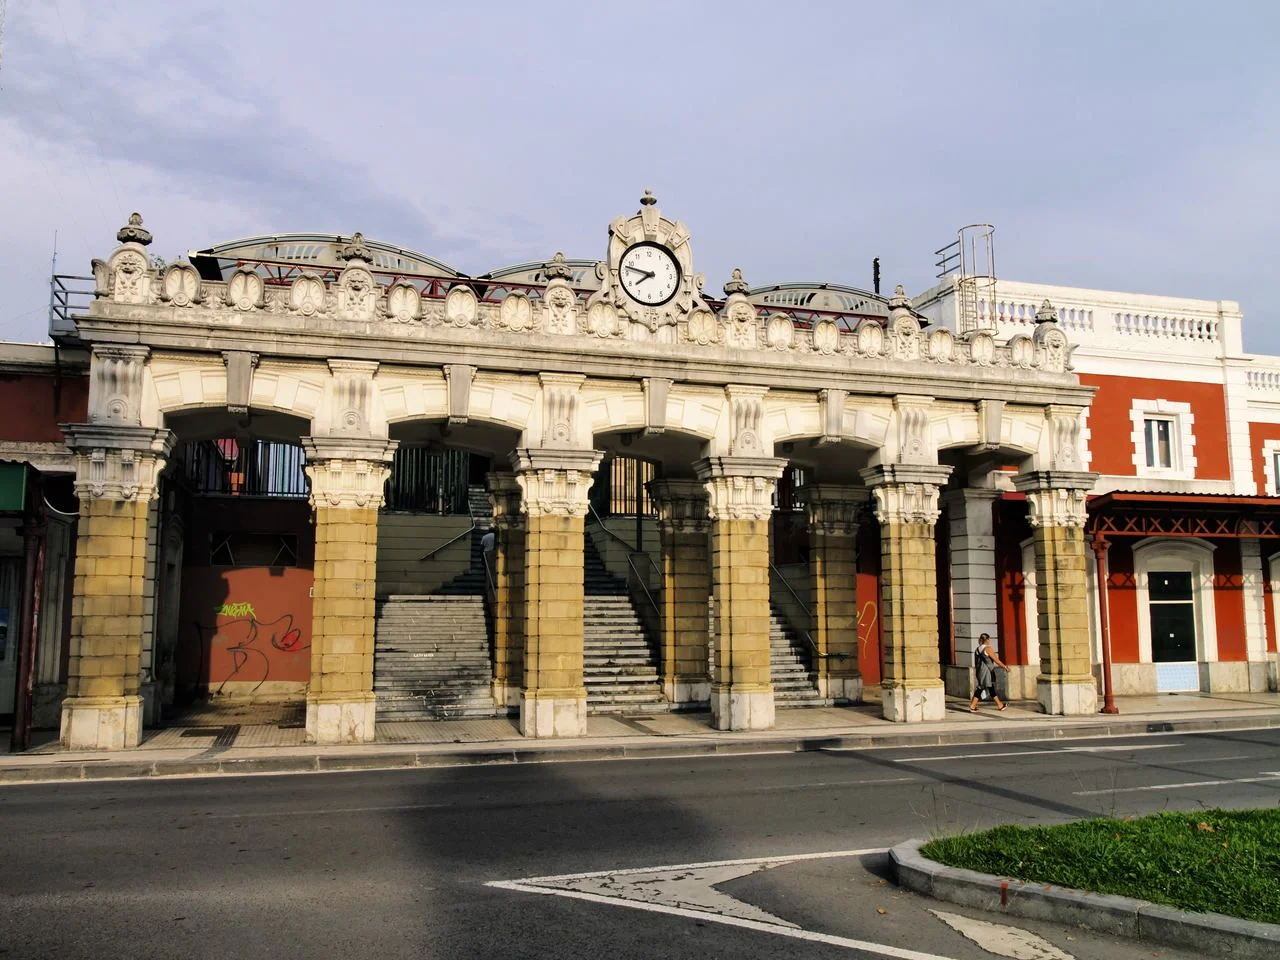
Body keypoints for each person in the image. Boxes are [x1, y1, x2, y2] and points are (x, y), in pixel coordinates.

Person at [970, 633, 1008, 712]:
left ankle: (973, 705)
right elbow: (996, 660)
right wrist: (1004, 666)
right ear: (987, 640)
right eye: (989, 639)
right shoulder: (988, 649)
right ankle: (1000, 705)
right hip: (987, 671)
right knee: (989, 687)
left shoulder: (977, 649)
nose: (989, 641)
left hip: (980, 671)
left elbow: (976, 662)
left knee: (982, 687)